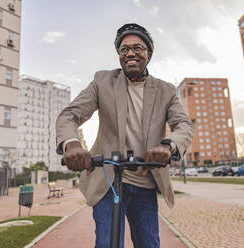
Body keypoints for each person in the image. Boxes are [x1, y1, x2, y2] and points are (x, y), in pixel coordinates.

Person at [56, 23, 194, 248]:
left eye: (138, 47)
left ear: (148, 53)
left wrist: (168, 147)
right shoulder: (102, 82)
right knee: (107, 243)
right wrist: (71, 144)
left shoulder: (165, 90)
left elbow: (184, 125)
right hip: (108, 181)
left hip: (145, 182)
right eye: (123, 49)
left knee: (149, 244)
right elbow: (69, 115)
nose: (130, 53)